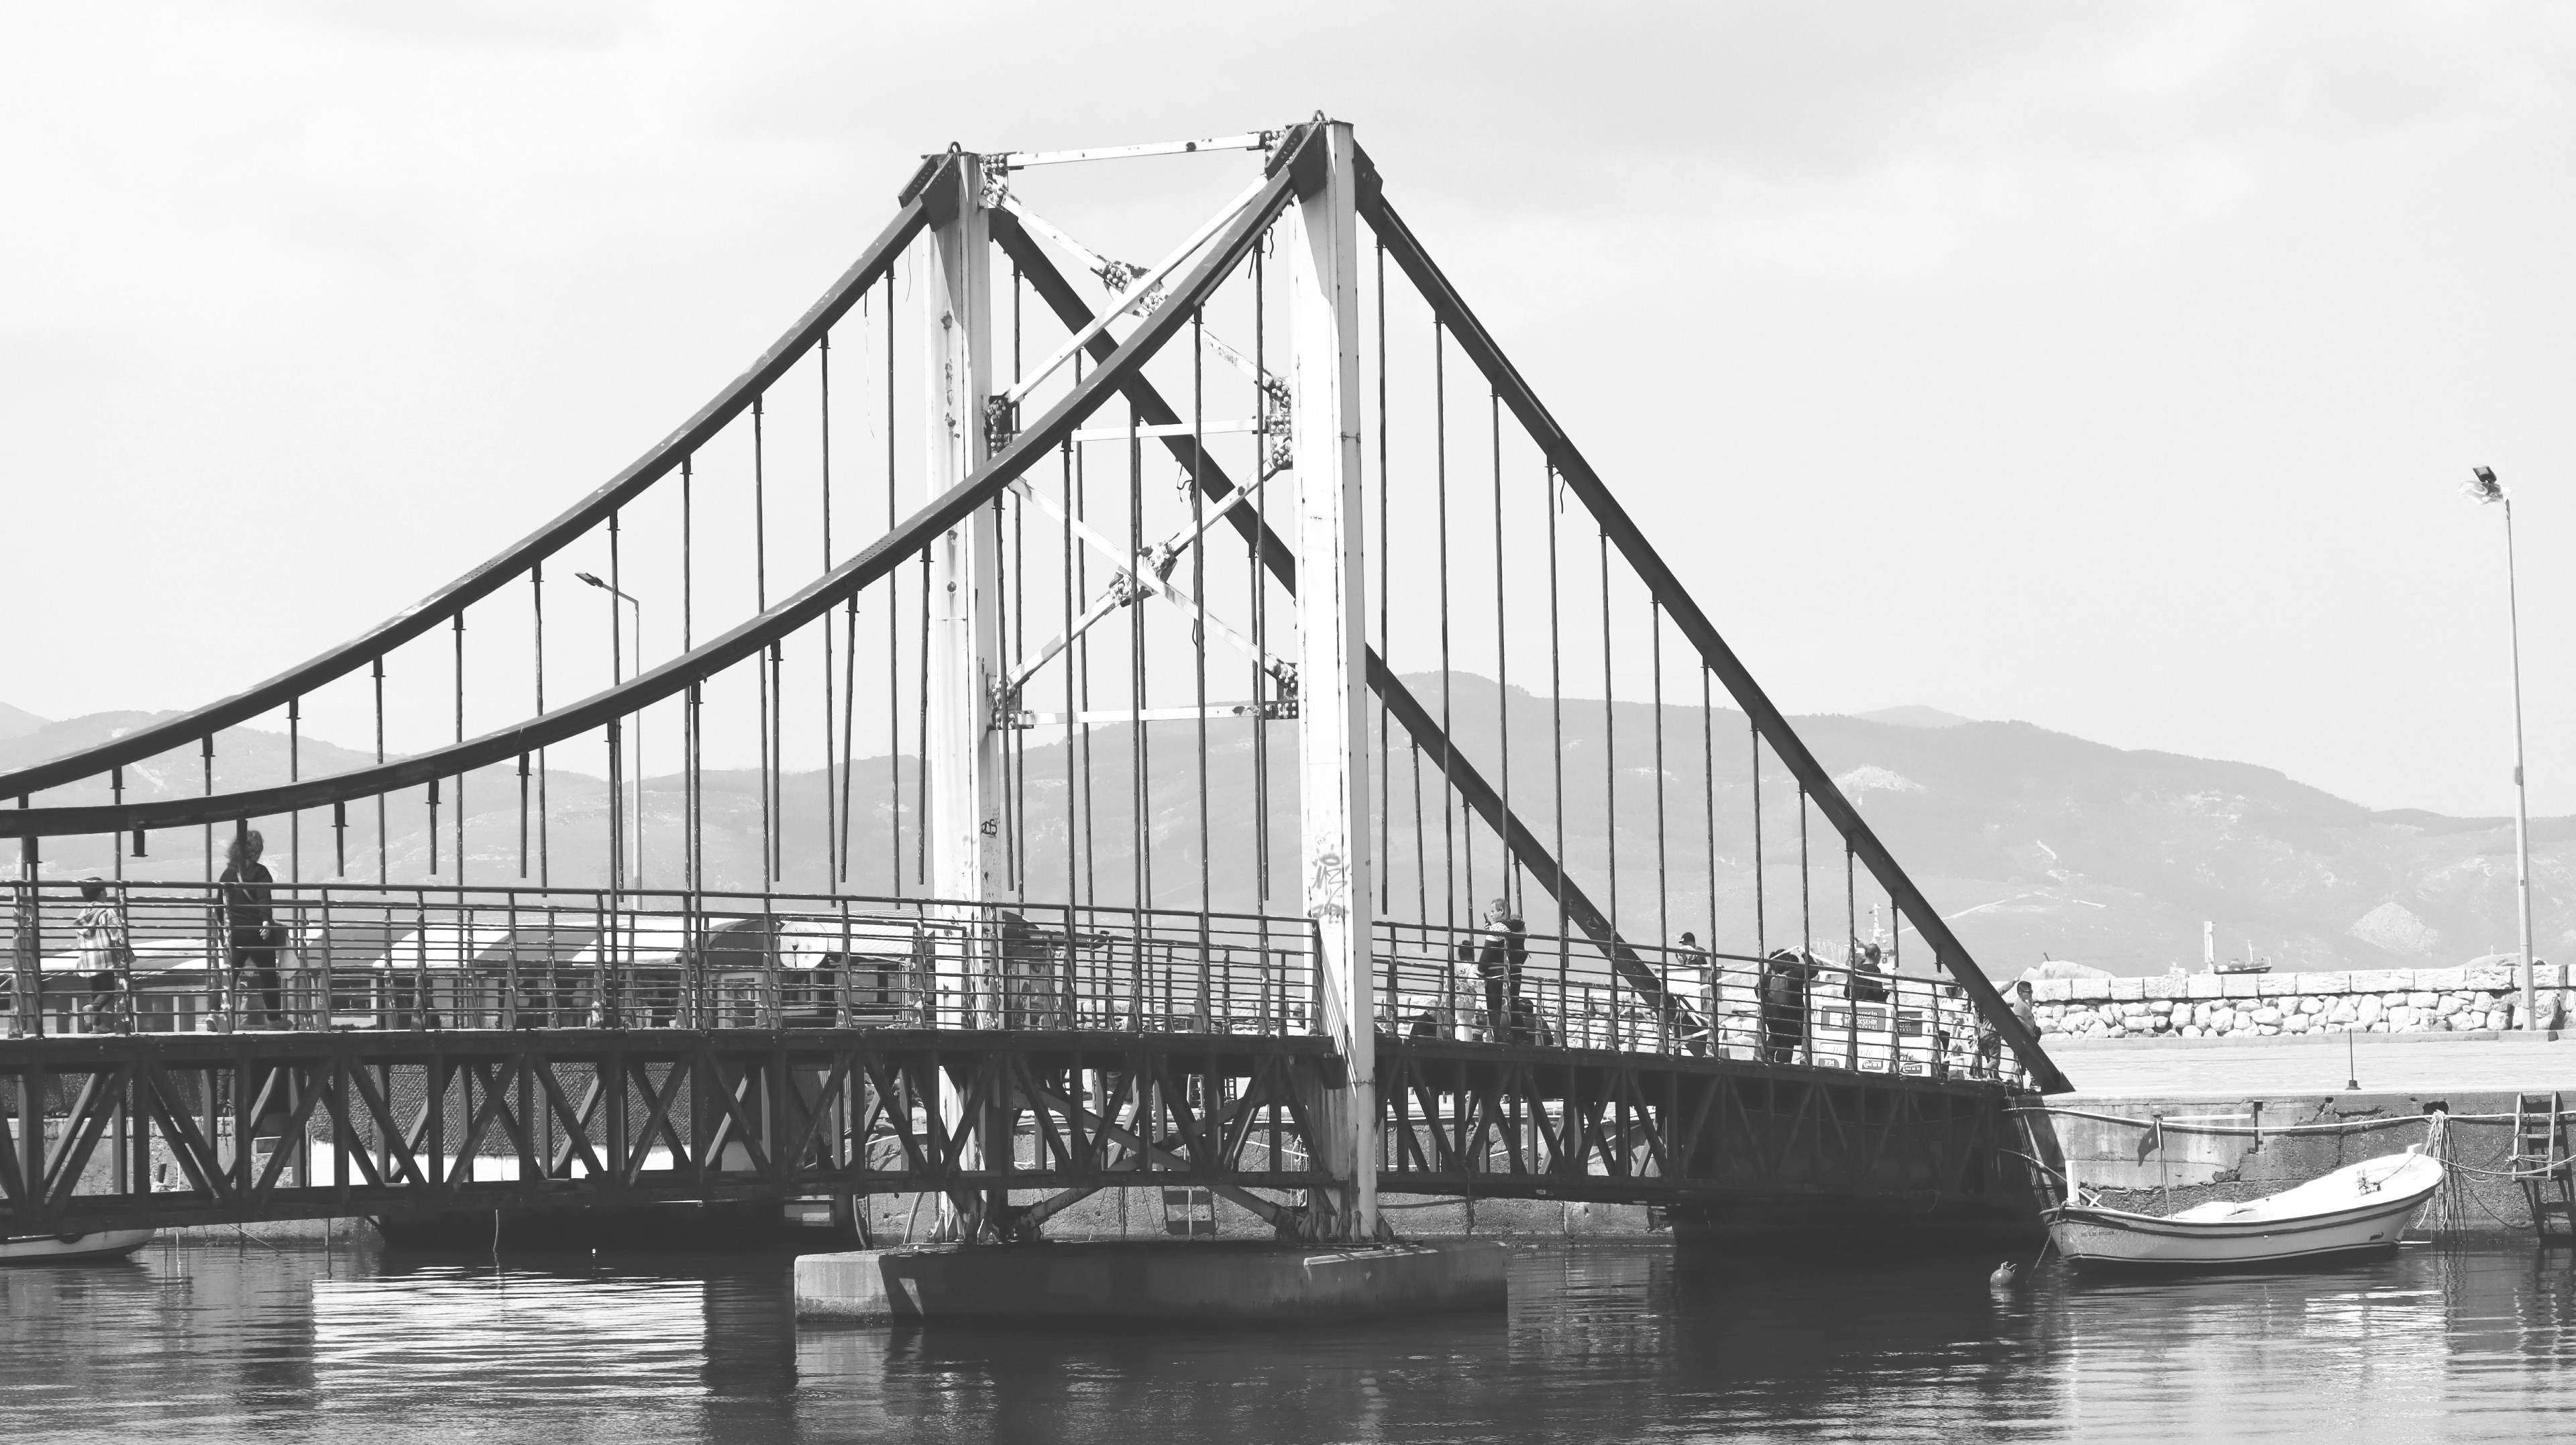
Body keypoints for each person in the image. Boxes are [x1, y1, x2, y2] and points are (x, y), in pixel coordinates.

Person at [219, 829, 283, 1028]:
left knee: (229, 975)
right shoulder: (260, 872)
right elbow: (264, 896)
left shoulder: (228, 873)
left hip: (236, 933)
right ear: (255, 851)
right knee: (268, 974)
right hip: (257, 933)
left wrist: (224, 928)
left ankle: (214, 1014)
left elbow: (219, 904)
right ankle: (274, 1019)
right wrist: (266, 921)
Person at [74, 877, 136, 1033]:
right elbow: (118, 935)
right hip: (104, 958)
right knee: (109, 991)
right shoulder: (107, 911)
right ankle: (92, 1009)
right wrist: (126, 954)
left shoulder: (82, 915)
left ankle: (97, 1026)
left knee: (96, 991)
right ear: (102, 894)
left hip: (88, 960)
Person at [1475, 899, 1529, 1043]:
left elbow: (1488, 952)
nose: (1492, 915)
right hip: (1516, 972)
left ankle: (1499, 1038)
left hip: (1497, 973)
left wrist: (1480, 972)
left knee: (1495, 1007)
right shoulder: (1520, 927)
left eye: (1493, 911)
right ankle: (1520, 1037)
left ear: (1502, 911)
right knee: (1514, 1004)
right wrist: (1492, 929)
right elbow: (1506, 937)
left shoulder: (1498, 928)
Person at [1759, 947, 1813, 1064]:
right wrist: (1805, 954)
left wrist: (1769, 999)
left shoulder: (1769, 975)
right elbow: (1813, 969)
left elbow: (1757, 989)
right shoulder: (1796, 974)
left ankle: (1767, 1057)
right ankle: (1782, 1066)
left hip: (1771, 1015)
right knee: (1787, 1042)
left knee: (1775, 1036)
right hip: (1791, 1015)